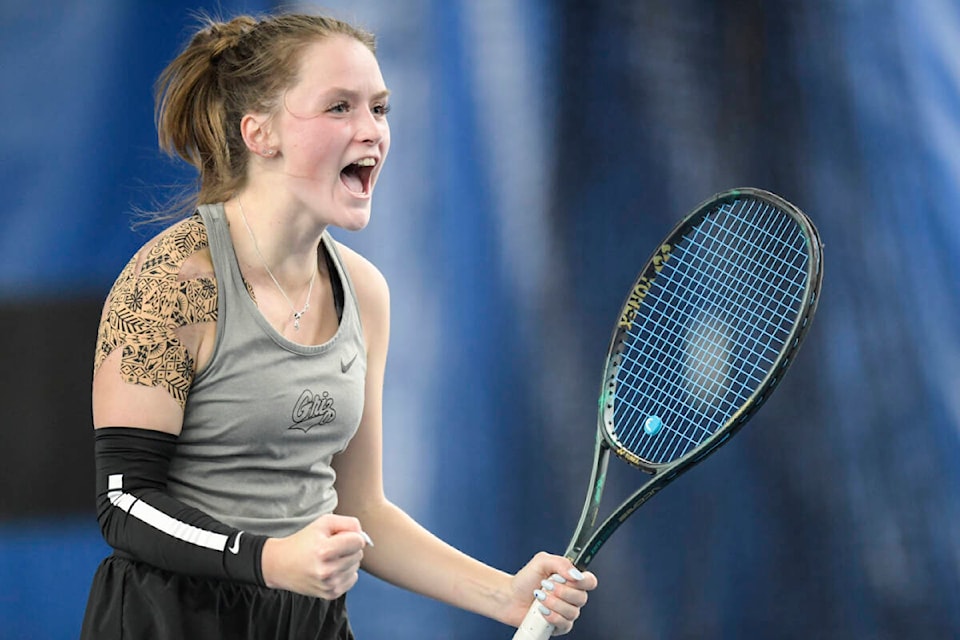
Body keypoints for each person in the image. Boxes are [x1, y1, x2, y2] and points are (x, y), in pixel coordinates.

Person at [80, 10, 597, 639]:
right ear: (259, 132)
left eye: (379, 108)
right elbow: (124, 503)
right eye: (338, 108)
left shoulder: (366, 293)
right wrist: (272, 560)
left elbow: (358, 506)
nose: (371, 131)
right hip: (171, 620)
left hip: (309, 622)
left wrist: (504, 596)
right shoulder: (170, 285)